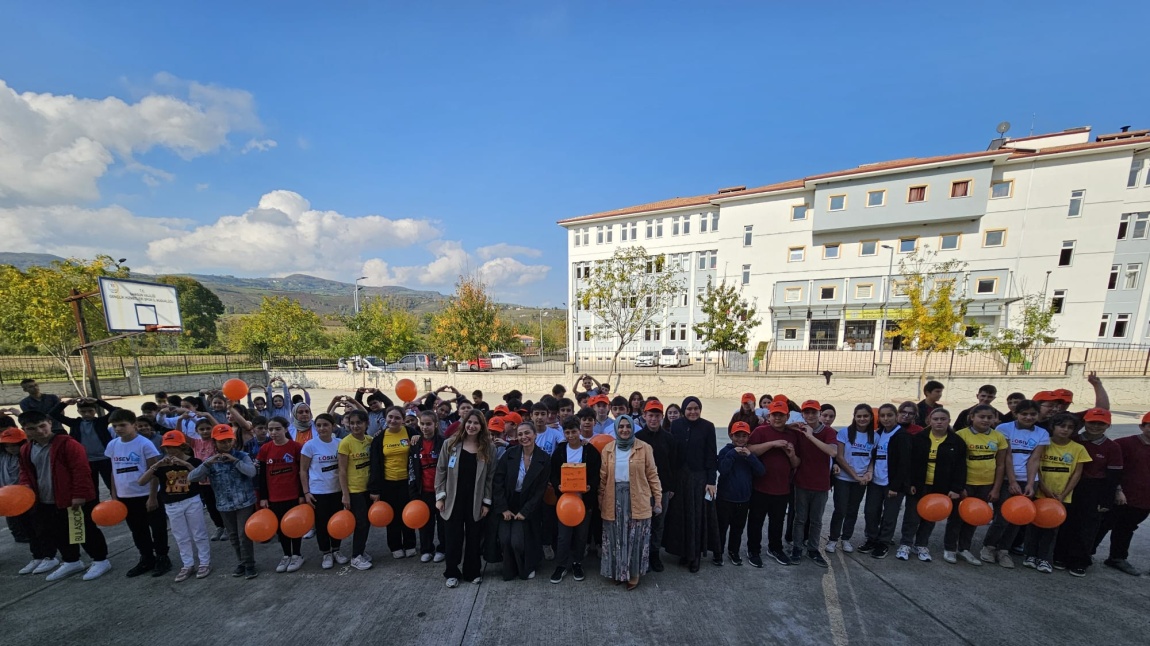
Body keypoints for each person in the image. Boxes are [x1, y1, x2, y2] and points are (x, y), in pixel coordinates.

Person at [16, 410, 111, 581]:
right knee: (58, 532)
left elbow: (81, 471)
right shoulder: (26, 449)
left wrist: (79, 494)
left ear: (50, 424)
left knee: (85, 530)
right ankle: (71, 560)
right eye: (32, 428)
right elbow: (25, 471)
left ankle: (100, 560)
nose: (39, 431)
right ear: (24, 429)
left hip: (73, 498)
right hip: (46, 500)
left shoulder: (68, 444)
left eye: (42, 426)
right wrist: (26, 487)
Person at [1054, 408, 1122, 576]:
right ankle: (1060, 555)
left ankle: (1079, 560)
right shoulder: (1073, 440)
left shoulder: (1112, 447)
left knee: (1087, 527)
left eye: (1101, 424)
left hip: (1094, 490)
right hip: (1070, 485)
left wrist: (1106, 500)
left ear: (1108, 425)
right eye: (1092, 422)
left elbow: (1113, 476)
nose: (1096, 426)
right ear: (1084, 422)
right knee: (1066, 522)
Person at [980, 399, 1047, 568]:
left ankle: (1004, 551)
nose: (1028, 417)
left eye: (1033, 414)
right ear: (1016, 414)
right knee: (1002, 517)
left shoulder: (1042, 433)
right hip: (1006, 479)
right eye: (1024, 414)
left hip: (1028, 480)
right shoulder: (1004, 428)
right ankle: (988, 547)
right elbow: (1007, 456)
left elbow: (1035, 459)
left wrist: (1030, 484)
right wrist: (1012, 481)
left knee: (1018, 518)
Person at [598, 414, 661, 590]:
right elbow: (603, 478)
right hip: (614, 498)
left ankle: (633, 574)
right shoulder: (608, 449)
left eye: (628, 426)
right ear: (616, 429)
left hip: (637, 497)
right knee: (616, 537)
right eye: (621, 427)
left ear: (633, 428)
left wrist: (658, 499)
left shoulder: (644, 448)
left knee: (635, 537)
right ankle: (619, 572)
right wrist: (600, 499)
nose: (624, 430)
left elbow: (652, 475)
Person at [137, 430, 211, 581]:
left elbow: (202, 477)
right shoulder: (162, 465)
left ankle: (204, 562)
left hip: (191, 500)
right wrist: (156, 465)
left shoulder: (194, 461)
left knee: (199, 533)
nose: (170, 450)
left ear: (183, 446)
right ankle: (187, 564)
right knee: (181, 536)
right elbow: (142, 481)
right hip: (171, 504)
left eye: (174, 447)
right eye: (167, 447)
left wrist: (186, 464)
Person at [106, 409, 170, 578]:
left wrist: (152, 496)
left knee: (157, 529)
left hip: (146, 495)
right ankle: (147, 558)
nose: (118, 429)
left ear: (134, 425)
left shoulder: (144, 444)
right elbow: (114, 471)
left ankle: (163, 557)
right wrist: (114, 496)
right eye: (115, 426)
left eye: (122, 425)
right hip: (126, 497)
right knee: (138, 530)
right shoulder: (113, 445)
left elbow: (154, 471)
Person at [189, 424, 259, 578]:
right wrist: (207, 463)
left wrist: (234, 460)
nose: (226, 444)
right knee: (233, 535)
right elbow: (192, 477)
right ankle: (240, 562)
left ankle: (249, 564)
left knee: (243, 534)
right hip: (224, 504)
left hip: (244, 502)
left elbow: (251, 472)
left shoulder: (241, 456)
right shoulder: (210, 461)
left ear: (233, 441)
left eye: (228, 441)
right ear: (215, 443)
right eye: (222, 442)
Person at [1025, 413, 1090, 574]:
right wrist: (1045, 490)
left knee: (1052, 529)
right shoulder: (1043, 444)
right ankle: (1030, 555)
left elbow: (1077, 473)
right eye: (1062, 426)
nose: (1065, 430)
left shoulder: (1078, 448)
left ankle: (1045, 559)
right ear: (1053, 427)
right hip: (1041, 493)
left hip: (1061, 497)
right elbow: (1036, 466)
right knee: (1033, 526)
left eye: (1070, 427)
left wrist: (1063, 494)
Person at [436, 410, 495, 587]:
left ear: (482, 426)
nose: (472, 426)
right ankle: (452, 572)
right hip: (453, 498)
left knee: (474, 537)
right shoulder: (450, 444)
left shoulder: (488, 448)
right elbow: (441, 471)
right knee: (453, 537)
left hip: (475, 500)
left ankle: (472, 572)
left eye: (476, 423)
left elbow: (490, 477)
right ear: (464, 424)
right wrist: (440, 496)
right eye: (469, 422)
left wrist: (486, 501)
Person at [899, 408, 966, 563]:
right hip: (918, 485)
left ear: (949, 420)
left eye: (943, 419)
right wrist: (909, 484)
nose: (939, 422)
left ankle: (921, 544)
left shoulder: (956, 442)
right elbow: (909, 463)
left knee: (930, 517)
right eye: (935, 419)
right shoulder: (919, 438)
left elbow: (960, 467)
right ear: (929, 421)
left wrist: (956, 488)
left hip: (940, 487)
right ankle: (906, 544)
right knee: (912, 516)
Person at [664, 396, 719, 573]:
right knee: (680, 516)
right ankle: (683, 552)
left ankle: (694, 556)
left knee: (695, 517)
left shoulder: (708, 427)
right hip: (680, 477)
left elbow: (712, 455)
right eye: (689, 409)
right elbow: (672, 454)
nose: (693, 411)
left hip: (698, 478)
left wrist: (712, 481)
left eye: (696, 408)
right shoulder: (677, 425)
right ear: (684, 410)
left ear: (700, 410)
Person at [947, 404, 1007, 565]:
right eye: (982, 417)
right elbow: (956, 464)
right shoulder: (961, 435)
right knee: (957, 518)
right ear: (972, 417)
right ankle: (950, 548)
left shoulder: (998, 437)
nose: (986, 420)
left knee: (974, 517)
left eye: (989, 417)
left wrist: (995, 488)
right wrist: (960, 486)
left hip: (986, 485)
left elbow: (1001, 464)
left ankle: (964, 548)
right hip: (966, 484)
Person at [492, 422, 550, 580]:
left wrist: (525, 511)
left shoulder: (544, 459)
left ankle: (526, 567)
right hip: (508, 502)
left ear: (534, 435)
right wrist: (503, 508)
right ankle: (509, 570)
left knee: (517, 541)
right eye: (520, 434)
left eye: (527, 433)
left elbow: (540, 490)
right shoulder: (510, 454)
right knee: (504, 539)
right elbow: (498, 482)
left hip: (528, 506)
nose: (524, 437)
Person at [747, 400, 800, 567]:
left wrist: (791, 454)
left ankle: (775, 548)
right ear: (769, 416)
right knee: (756, 521)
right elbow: (750, 450)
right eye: (774, 414)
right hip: (760, 486)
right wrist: (772, 444)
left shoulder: (792, 435)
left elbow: (796, 463)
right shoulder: (761, 431)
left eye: (781, 415)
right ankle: (753, 550)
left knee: (777, 522)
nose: (777, 418)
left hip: (782, 488)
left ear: (787, 416)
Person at [548, 416, 601, 584]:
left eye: (574, 432)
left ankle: (578, 563)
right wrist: (558, 486)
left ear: (580, 431)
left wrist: (589, 487)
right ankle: (562, 565)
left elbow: (596, 473)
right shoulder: (560, 451)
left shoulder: (590, 451)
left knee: (581, 535)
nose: (571, 435)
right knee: (563, 536)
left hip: (584, 501)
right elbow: (553, 474)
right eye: (568, 432)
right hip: (565, 502)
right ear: (564, 433)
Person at [1097, 411, 1150, 575]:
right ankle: (1083, 554)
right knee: (1102, 525)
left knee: (1127, 528)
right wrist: (1117, 490)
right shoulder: (1124, 444)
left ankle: (1117, 558)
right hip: (1120, 496)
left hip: (1144, 499)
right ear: (1142, 426)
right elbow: (1112, 469)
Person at [859, 403, 913, 560]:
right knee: (870, 511)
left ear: (896, 416)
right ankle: (871, 539)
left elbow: (904, 464)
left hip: (892, 484)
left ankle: (884, 542)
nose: (886, 418)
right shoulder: (878, 434)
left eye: (889, 415)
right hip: (876, 481)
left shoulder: (902, 436)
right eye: (882, 415)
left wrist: (895, 486)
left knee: (889, 515)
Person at [791, 400, 838, 567]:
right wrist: (794, 427)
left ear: (819, 413)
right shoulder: (800, 429)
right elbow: (783, 427)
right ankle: (797, 548)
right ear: (802, 414)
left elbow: (832, 451)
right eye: (807, 412)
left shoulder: (828, 432)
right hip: (802, 482)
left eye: (813, 412)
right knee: (800, 518)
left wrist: (810, 436)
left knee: (816, 520)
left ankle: (812, 548)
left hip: (821, 484)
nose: (810, 416)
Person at [369, 406, 418, 559]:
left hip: (407, 483)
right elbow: (375, 465)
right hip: (387, 484)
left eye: (397, 418)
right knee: (392, 516)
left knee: (407, 514)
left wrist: (419, 437)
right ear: (386, 418)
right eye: (390, 417)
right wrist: (375, 489)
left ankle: (410, 544)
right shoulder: (379, 437)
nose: (393, 420)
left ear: (403, 420)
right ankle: (395, 546)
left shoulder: (411, 433)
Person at [257, 417, 305, 573]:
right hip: (274, 497)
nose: (273, 432)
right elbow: (262, 475)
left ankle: (297, 555)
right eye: (270, 429)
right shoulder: (265, 449)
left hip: (293, 495)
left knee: (293, 525)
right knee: (280, 528)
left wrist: (301, 494)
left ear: (285, 429)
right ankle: (286, 555)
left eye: (277, 429)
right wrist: (263, 497)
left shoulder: (296, 447)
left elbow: (301, 473)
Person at [301, 413, 347, 570]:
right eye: (318, 425)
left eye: (325, 425)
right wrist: (306, 492)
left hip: (337, 490)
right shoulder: (310, 446)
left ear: (333, 426)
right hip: (318, 492)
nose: (322, 428)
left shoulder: (340, 443)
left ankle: (336, 550)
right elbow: (303, 471)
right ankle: (326, 552)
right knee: (321, 524)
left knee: (337, 522)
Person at [634, 399, 676, 571]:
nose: (653, 419)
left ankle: (654, 554)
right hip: (642, 490)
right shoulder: (637, 438)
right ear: (644, 415)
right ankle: (641, 554)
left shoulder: (668, 438)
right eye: (650, 415)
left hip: (663, 490)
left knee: (658, 523)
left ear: (661, 416)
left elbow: (673, 464)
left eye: (657, 415)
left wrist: (671, 488)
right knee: (642, 524)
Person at [827, 405, 875, 554]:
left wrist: (869, 472)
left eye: (865, 416)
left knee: (852, 511)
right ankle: (833, 539)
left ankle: (846, 539)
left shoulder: (875, 436)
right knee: (840, 509)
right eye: (859, 416)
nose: (862, 419)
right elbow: (839, 457)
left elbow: (872, 458)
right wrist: (855, 476)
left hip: (861, 481)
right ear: (854, 417)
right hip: (844, 479)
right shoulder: (844, 433)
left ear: (871, 417)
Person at [716, 421, 764, 566]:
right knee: (722, 528)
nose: (741, 439)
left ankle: (733, 552)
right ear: (731, 435)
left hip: (743, 499)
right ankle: (718, 553)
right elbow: (722, 470)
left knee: (738, 529)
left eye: (744, 436)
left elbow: (761, 471)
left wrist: (750, 456)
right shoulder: (726, 451)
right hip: (725, 498)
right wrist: (732, 454)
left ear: (748, 437)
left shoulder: (749, 454)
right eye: (737, 436)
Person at [50, 397, 119, 497]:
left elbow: (115, 411)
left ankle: (118, 506)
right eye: (83, 411)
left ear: (95, 410)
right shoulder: (74, 423)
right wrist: (65, 403)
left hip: (105, 459)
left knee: (112, 486)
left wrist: (97, 401)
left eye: (90, 411)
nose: (87, 414)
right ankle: (93, 509)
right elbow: (53, 414)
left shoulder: (101, 421)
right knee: (91, 488)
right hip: (85, 461)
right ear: (78, 411)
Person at [337, 409, 374, 570]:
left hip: (368, 488)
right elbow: (342, 470)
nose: (355, 426)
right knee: (361, 523)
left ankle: (361, 551)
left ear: (366, 424)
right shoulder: (345, 443)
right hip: (354, 490)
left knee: (366, 522)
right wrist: (345, 494)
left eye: (359, 422)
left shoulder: (370, 440)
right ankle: (356, 556)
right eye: (351, 423)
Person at [410, 411, 446, 563]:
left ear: (436, 424)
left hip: (440, 491)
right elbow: (411, 468)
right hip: (422, 491)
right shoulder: (415, 443)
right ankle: (426, 549)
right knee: (425, 522)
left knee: (443, 522)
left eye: (428, 424)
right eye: (422, 424)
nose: (425, 427)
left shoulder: (444, 443)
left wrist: (446, 491)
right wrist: (413, 492)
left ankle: (442, 548)